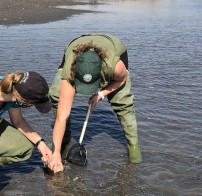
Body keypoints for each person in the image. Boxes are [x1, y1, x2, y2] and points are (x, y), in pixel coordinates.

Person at [48, 33, 142, 173]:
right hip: (75, 47)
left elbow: (121, 80)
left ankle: (134, 147)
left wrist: (101, 94)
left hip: (113, 48)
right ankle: (64, 139)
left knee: (123, 103)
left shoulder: (114, 66)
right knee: (56, 95)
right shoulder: (69, 72)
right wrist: (55, 155)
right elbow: (61, 117)